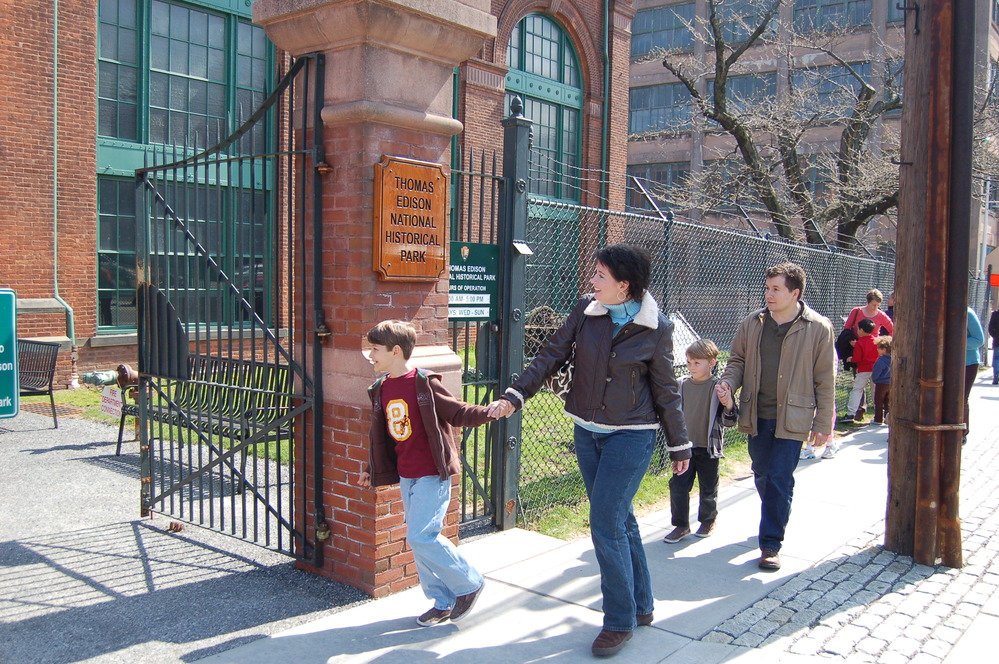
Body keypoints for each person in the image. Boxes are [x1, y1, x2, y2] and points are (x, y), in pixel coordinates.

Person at [488, 243, 691, 659]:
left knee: (604, 523)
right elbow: (550, 355)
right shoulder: (586, 311)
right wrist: (515, 395)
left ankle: (618, 620)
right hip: (587, 431)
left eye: (600, 276)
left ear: (624, 285)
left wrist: (678, 443)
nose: (592, 282)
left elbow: (666, 391)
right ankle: (641, 605)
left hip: (631, 434)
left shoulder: (657, 328)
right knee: (621, 520)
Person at [357, 320, 495, 628]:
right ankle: (442, 601)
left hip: (433, 472)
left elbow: (456, 412)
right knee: (419, 539)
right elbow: (380, 436)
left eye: (375, 350)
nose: (371, 355)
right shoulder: (380, 389)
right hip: (408, 475)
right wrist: (370, 468)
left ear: (395, 351)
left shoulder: (423, 383)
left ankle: (469, 583)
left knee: (422, 536)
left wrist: (488, 412)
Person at [717, 262, 836, 572]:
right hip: (757, 413)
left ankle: (770, 543)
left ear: (794, 293)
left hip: (793, 418)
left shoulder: (818, 328)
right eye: (767, 288)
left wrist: (824, 424)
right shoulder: (752, 323)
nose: (768, 294)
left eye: (775, 289)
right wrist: (728, 383)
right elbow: (737, 361)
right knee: (762, 473)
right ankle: (777, 510)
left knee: (779, 477)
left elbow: (825, 379)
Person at [663, 338, 737, 544]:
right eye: (689, 362)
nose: (692, 367)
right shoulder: (681, 384)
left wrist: (729, 403)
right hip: (684, 449)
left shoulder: (719, 387)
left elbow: (730, 420)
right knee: (678, 486)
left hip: (708, 447)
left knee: (708, 487)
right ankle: (681, 525)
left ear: (712, 362)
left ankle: (707, 520)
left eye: (697, 363)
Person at [845, 318, 879, 423]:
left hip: (863, 369)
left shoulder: (860, 343)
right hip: (875, 369)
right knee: (876, 391)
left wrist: (851, 359)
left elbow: (858, 358)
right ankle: (879, 413)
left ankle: (851, 413)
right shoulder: (876, 341)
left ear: (862, 330)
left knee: (857, 390)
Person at [965, 307, 985, 442]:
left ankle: (962, 432)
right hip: (945, 363)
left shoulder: (968, 313)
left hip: (968, 362)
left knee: (961, 398)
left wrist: (955, 343)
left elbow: (979, 340)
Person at [872, 335, 892, 425]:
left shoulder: (881, 360)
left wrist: (874, 379)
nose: (877, 350)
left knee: (879, 401)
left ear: (884, 349)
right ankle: (887, 418)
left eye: (879, 348)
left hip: (881, 383)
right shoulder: (893, 359)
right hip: (891, 383)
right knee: (888, 401)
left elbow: (877, 372)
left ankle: (878, 419)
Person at [988, 307, 999, 386]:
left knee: (996, 359)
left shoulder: (995, 314)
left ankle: (996, 375)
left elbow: (990, 328)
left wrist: (995, 335)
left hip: (997, 340)